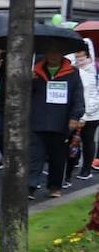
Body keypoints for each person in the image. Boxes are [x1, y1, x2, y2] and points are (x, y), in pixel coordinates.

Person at [28, 42, 84, 199]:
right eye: (49, 52)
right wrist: (29, 80)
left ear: (62, 54)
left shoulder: (72, 72)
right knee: (34, 155)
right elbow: (25, 94)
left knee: (57, 156)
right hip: (38, 120)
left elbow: (77, 96)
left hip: (61, 121)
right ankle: (30, 185)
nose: (52, 55)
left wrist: (75, 116)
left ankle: (55, 186)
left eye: (56, 52)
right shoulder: (35, 71)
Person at [69, 50, 99, 181]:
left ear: (89, 58)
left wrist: (84, 116)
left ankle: (86, 169)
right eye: (77, 59)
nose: (79, 62)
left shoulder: (90, 73)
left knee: (87, 140)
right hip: (81, 112)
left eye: (82, 59)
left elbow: (91, 97)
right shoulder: (78, 71)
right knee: (75, 140)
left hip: (90, 114)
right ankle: (74, 165)